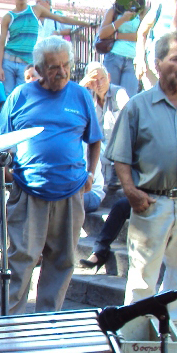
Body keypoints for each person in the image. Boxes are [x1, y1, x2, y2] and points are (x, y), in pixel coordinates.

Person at [106, 31, 177, 348]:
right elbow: (120, 156)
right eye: (176, 59)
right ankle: (133, 340)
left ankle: (172, 336)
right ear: (158, 64)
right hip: (151, 204)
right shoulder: (138, 107)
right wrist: (130, 191)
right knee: (143, 275)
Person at [0, 36, 102, 315]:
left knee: (62, 262)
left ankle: (46, 326)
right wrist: (2, 166)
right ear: (39, 68)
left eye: (66, 65)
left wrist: (90, 172)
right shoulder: (20, 96)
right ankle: (4, 328)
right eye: (53, 67)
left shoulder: (80, 95)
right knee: (19, 261)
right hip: (29, 191)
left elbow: (95, 139)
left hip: (71, 192)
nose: (61, 72)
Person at [78, 62, 131, 270]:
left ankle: (98, 251)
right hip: (100, 150)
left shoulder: (119, 94)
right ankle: (99, 251)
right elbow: (69, 100)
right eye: (94, 79)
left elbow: (129, 120)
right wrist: (84, 84)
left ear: (108, 76)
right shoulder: (86, 95)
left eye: (101, 78)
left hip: (116, 149)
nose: (98, 83)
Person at [0, 0, 91, 96]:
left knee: (23, 95)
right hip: (9, 61)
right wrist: (0, 67)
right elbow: (1, 43)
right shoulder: (8, 17)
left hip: (26, 62)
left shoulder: (36, 10)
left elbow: (60, 18)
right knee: (8, 95)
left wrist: (85, 24)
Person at [97, 0, 148, 98]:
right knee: (108, 95)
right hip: (114, 56)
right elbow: (102, 33)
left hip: (132, 58)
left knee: (128, 99)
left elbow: (141, 36)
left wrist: (117, 35)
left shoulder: (143, 12)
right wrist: (122, 20)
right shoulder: (114, 11)